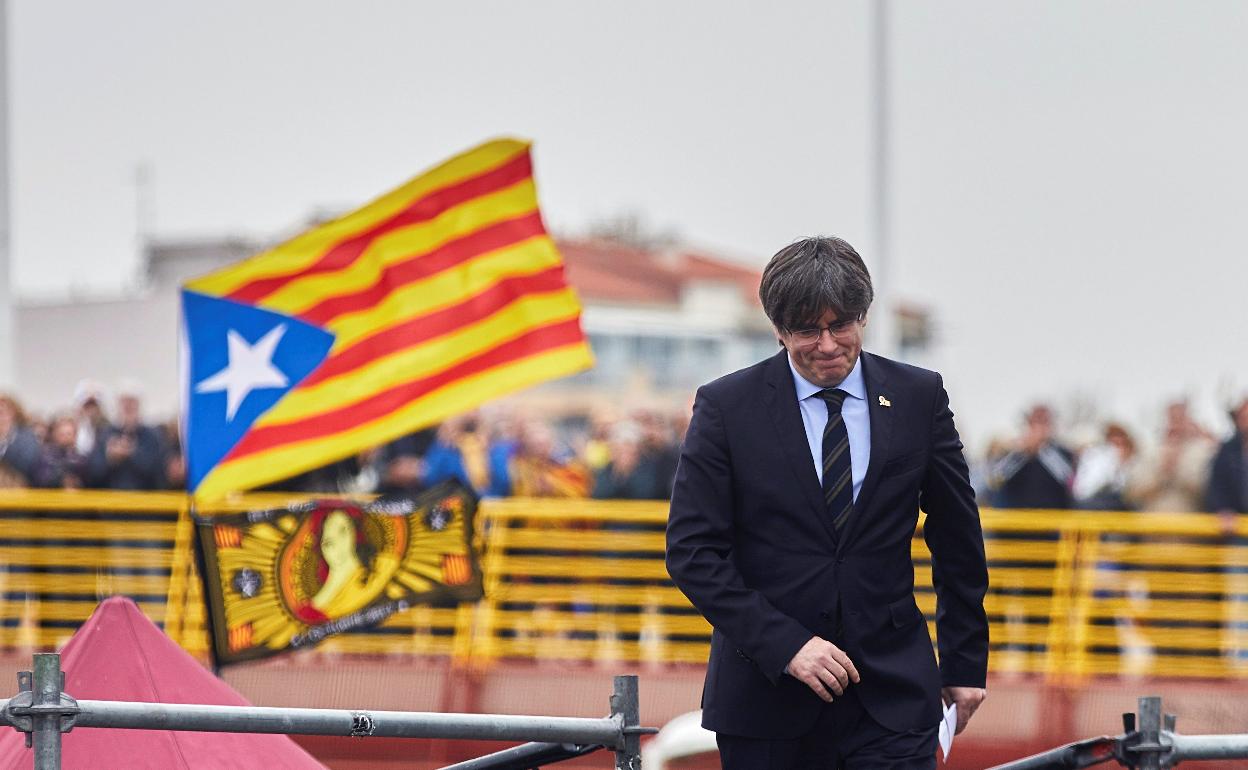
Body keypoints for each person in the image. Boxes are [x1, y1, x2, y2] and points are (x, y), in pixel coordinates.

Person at [665, 236, 988, 769]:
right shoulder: (727, 407)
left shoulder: (918, 396)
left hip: (892, 696)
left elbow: (957, 537)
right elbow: (692, 553)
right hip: (766, 700)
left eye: (841, 325)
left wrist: (965, 661)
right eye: (806, 330)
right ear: (777, 328)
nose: (827, 344)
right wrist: (786, 645)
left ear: (863, 316)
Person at [991, 404, 1076, 509]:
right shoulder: (1012, 452)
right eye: (1035, 422)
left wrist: (1043, 449)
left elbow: (1069, 481)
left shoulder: (1063, 452)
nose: (1039, 428)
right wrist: (1022, 453)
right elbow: (996, 478)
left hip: (1054, 518)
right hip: (1016, 519)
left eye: (1044, 422)